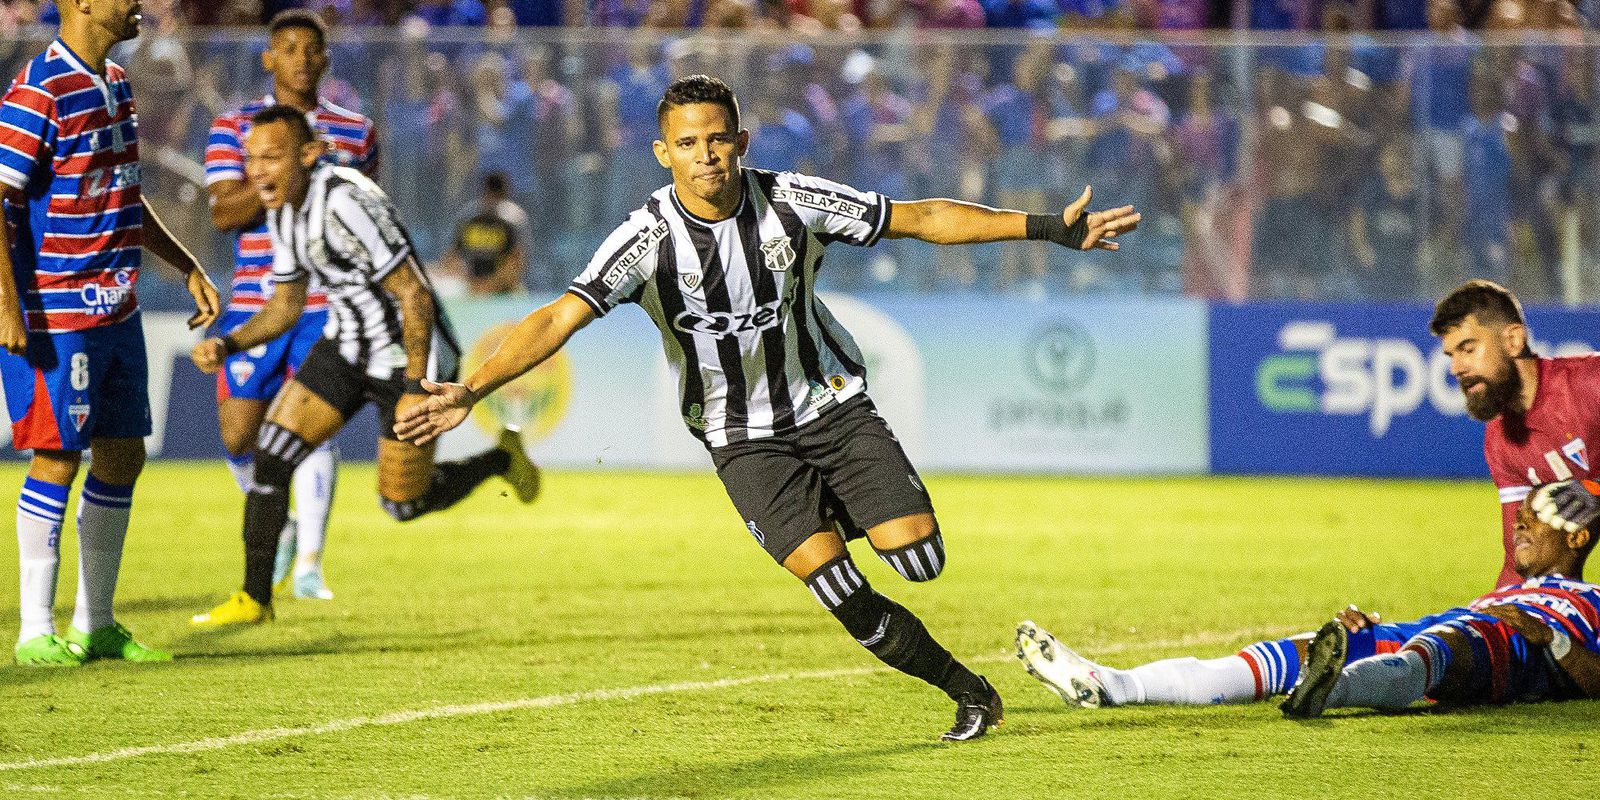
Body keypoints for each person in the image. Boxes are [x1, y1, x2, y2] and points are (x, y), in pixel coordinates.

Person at [392, 75, 1140, 741]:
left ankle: (833, 504)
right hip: (740, 438)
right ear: (663, 154)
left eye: (718, 139)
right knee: (837, 585)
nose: (707, 155)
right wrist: (471, 389)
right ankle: (969, 692)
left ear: (742, 142)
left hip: (830, 408)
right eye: (689, 144)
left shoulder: (793, 201)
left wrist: (1049, 228)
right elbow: (559, 316)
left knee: (920, 559)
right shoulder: (644, 239)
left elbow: (920, 217)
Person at [187, 105, 539, 628]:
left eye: (271, 158)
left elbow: (414, 295)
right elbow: (287, 304)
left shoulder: (347, 201)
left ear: (309, 154)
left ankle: (499, 459)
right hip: (347, 348)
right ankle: (253, 599)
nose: (257, 171)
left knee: (402, 504)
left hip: (407, 356)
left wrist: (416, 385)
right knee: (272, 456)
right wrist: (229, 344)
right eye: (251, 159)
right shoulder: (282, 209)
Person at [0, 0, 221, 666]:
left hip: (117, 307)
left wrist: (185, 263)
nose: (137, 5)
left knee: (123, 456)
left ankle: (95, 624)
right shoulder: (39, 89)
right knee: (57, 457)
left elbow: (122, 192)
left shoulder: (117, 83)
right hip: (57, 309)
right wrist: (6, 307)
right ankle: (34, 629)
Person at [1016, 490, 1600, 715]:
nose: (1519, 523)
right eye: (1520, 517)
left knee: (1441, 648)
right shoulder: (1505, 592)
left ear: (1578, 538)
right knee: (1295, 650)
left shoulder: (1590, 599)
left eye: (1537, 518)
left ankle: (1330, 689)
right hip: (1447, 626)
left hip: (1514, 649)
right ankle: (1114, 685)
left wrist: (1548, 635)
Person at [204, 9, 378, 601]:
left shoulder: (355, 131)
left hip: (330, 299)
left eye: (311, 49)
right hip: (257, 297)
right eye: (288, 49)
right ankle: (283, 524)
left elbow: (369, 210)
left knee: (310, 425)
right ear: (268, 59)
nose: (300, 59)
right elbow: (224, 212)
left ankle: (309, 565)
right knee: (237, 437)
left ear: (325, 59)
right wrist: (285, 166)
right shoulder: (234, 126)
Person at [1429, 280, 1600, 587]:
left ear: (1513, 340)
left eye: (1468, 349)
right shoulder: (1501, 440)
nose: (1456, 368)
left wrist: (1596, 489)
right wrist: (1481, 616)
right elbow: (1521, 565)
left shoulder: (1590, 382)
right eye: (1451, 355)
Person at [441, 172, 528, 296]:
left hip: (506, 292)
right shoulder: (469, 218)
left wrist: (491, 285)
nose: (492, 201)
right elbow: (451, 257)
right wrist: (469, 281)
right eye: (489, 196)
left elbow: (518, 261)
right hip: (473, 290)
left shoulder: (513, 220)